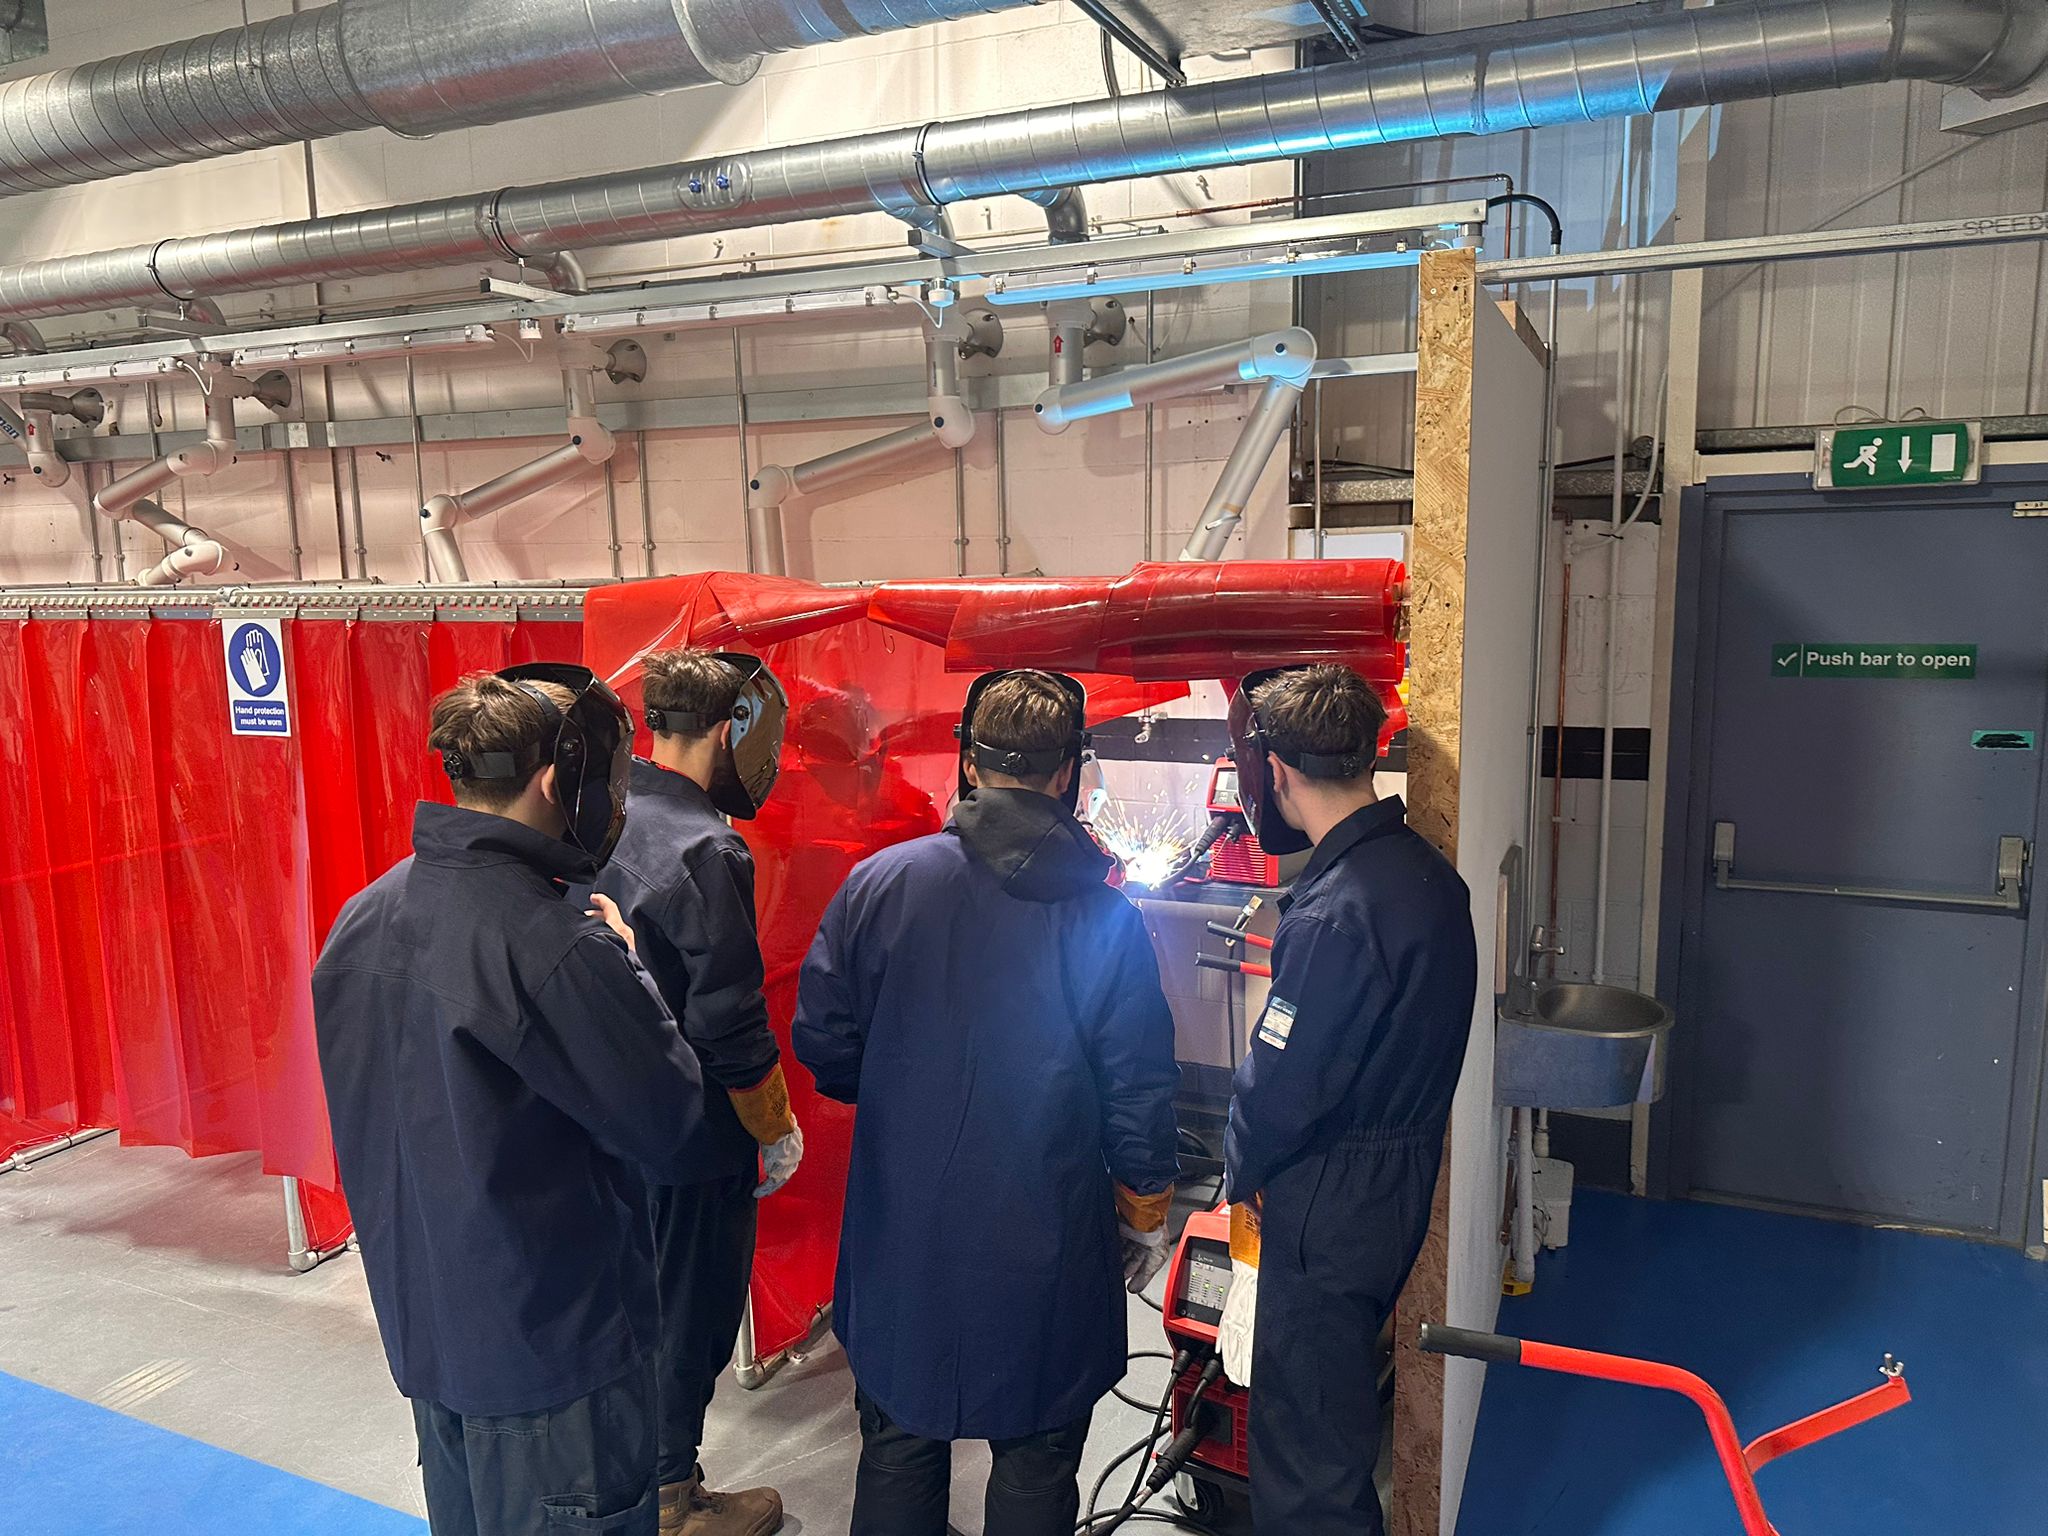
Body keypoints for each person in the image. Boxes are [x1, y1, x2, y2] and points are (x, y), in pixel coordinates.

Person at [313, 665, 713, 1536]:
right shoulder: (554, 946)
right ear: (553, 783)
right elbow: (674, 1127)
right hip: (556, 1360)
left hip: (432, 1339)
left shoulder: (361, 918)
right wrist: (628, 965)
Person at [793, 669, 1180, 1536]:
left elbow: (823, 1041)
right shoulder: (1104, 919)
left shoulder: (880, 885)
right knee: (1037, 1458)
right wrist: (1145, 1209)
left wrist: (901, 1087)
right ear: (1067, 774)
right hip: (1046, 1232)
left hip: (907, 1229)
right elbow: (1139, 1087)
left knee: (898, 1443)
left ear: (968, 762)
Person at [1216, 663, 1478, 1536]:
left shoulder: (1335, 914)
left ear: (1278, 772)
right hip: (1393, 1183)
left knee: (1307, 1464)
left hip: (1326, 1208)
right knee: (1333, 1420)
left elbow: (1283, 1090)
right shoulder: (1433, 881)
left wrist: (1238, 1172)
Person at [587, 649, 798, 1536]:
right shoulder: (707, 847)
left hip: (610, 1115)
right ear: (727, 732)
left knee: (635, 1307)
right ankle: (670, 1497)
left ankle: (638, 1480)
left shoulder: (605, 813)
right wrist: (774, 1124)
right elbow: (729, 1019)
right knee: (694, 1312)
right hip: (694, 1129)